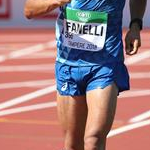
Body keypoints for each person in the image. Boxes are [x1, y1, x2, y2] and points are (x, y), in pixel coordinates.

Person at [24, 0, 147, 150]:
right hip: (68, 64)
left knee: (93, 139)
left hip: (105, 64)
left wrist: (135, 25)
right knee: (73, 144)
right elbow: (29, 10)